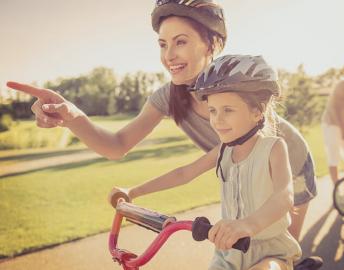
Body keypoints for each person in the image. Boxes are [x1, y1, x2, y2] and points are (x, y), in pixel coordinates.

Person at [7, 1, 319, 268]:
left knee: (277, 255)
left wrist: (251, 223)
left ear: (212, 44)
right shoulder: (168, 96)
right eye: (162, 43)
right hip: (236, 168)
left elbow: (275, 182)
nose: (169, 54)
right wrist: (72, 117)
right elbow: (117, 146)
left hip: (288, 169)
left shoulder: (238, 83)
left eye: (180, 41)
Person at [111, 54, 302, 269]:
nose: (217, 120)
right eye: (213, 111)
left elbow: (284, 196)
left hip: (270, 251)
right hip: (228, 252)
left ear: (257, 112)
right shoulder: (223, 151)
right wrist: (133, 192)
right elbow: (184, 173)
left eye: (228, 110)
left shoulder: (273, 148)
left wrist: (249, 225)